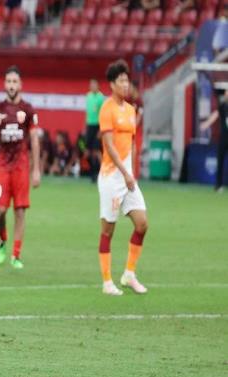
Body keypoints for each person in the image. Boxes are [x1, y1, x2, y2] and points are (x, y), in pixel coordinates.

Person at [98, 59, 148, 296]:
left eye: (127, 80)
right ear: (112, 84)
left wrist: (132, 173)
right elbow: (109, 146)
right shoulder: (106, 109)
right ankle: (107, 282)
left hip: (128, 179)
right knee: (108, 230)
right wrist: (126, 173)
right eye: (121, 81)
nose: (126, 85)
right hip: (111, 178)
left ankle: (129, 274)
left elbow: (133, 144)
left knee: (142, 224)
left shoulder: (130, 110)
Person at [0, 65, 41, 269]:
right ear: (5, 84)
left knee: (20, 212)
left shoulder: (28, 109)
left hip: (21, 166)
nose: (11, 85)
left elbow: (34, 139)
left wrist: (36, 169)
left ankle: (16, 255)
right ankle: (3, 240)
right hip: (3, 166)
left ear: (20, 85)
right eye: (8, 81)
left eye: (14, 81)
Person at [200, 88, 228, 192]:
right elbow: (215, 115)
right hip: (224, 137)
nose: (226, 94)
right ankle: (218, 185)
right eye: (226, 92)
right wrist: (206, 124)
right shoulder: (223, 106)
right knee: (220, 161)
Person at [85, 79, 105, 183]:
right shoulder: (88, 96)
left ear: (98, 86)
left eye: (94, 85)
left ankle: (104, 173)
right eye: (91, 85)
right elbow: (88, 113)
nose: (92, 86)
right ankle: (93, 172)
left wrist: (100, 129)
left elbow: (103, 114)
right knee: (87, 152)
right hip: (89, 126)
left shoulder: (101, 97)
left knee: (97, 151)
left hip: (97, 126)